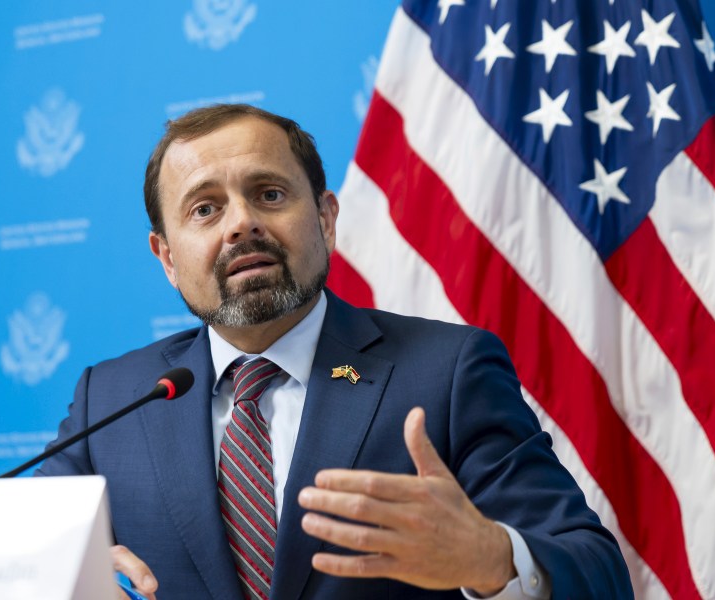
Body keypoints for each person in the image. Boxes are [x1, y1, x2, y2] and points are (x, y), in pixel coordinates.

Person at [37, 104, 632, 599]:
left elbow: (596, 571)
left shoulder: (448, 372)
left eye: (269, 194)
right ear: (166, 257)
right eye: (205, 209)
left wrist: (493, 559)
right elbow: (16, 542)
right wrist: (57, 569)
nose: (241, 224)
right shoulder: (111, 399)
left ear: (325, 219)